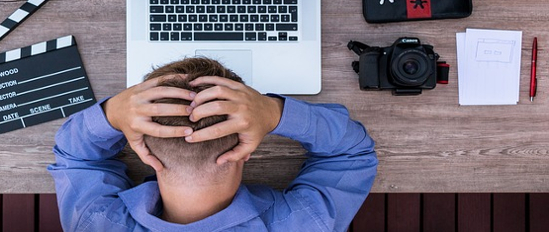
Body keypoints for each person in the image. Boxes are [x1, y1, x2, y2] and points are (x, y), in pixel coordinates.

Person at [48, 58, 378, 231]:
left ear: (144, 151)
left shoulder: (95, 222)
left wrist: (112, 113)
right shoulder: (306, 222)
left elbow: (76, 157)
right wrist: (274, 112)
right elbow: (352, 152)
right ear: (245, 151)